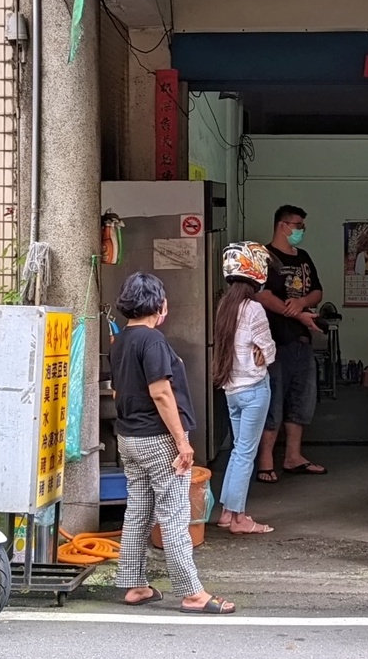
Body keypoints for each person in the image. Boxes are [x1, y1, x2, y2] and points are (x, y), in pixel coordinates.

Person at [111, 272, 234, 614]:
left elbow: (121, 390)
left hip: (128, 437)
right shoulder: (153, 342)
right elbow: (161, 393)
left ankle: (134, 585)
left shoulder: (120, 341)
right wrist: (182, 442)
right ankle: (192, 592)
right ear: (159, 304)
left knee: (138, 511)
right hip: (157, 440)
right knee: (174, 515)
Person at [255, 204, 326, 482]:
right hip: (273, 342)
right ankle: (265, 462)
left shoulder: (304, 257)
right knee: (272, 400)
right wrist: (299, 314)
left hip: (301, 341)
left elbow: (317, 291)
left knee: (301, 400)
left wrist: (302, 303)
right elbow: (261, 294)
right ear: (282, 225)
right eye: (298, 226)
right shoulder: (263, 256)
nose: (301, 231)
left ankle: (293, 456)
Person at [211, 242, 276, 535]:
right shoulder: (254, 309)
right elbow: (269, 350)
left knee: (239, 451)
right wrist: (264, 352)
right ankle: (238, 518)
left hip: (231, 390)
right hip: (254, 389)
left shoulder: (225, 306)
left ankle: (226, 512)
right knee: (245, 453)